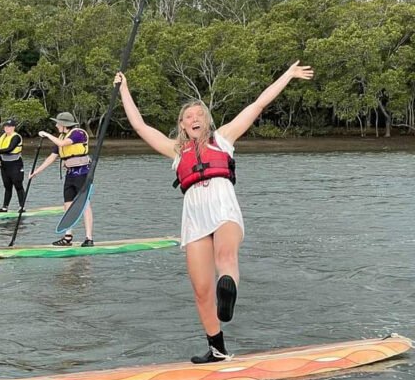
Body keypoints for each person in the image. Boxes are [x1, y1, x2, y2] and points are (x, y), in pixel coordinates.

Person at [115, 61, 314, 363]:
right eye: (187, 117)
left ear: (206, 121)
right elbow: (140, 126)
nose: (194, 118)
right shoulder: (175, 150)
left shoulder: (224, 138)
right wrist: (124, 89)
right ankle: (217, 350)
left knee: (225, 259)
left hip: (223, 204)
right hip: (194, 216)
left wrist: (287, 74)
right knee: (200, 289)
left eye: (199, 115)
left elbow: (258, 103)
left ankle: (229, 292)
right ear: (182, 125)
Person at [28, 112, 94, 247]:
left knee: (84, 204)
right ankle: (68, 237)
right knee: (67, 205)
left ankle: (89, 238)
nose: (56, 125)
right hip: (70, 175)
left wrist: (46, 135)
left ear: (64, 125)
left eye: (58, 123)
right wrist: (37, 171)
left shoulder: (78, 133)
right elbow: (52, 157)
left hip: (82, 174)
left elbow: (63, 144)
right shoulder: (61, 136)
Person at [0, 119, 25, 212]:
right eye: (5, 127)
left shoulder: (16, 137)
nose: (7, 128)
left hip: (15, 164)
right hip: (5, 164)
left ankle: (22, 207)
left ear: (13, 127)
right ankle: (5, 207)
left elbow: (10, 149)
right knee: (7, 186)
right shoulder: (3, 137)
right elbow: (3, 151)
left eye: (9, 127)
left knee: (18, 185)